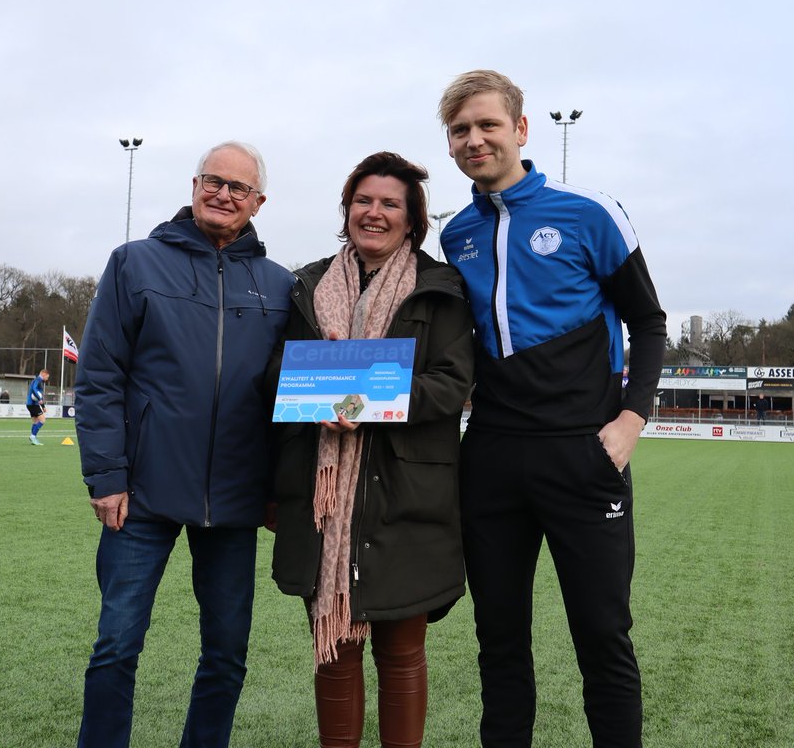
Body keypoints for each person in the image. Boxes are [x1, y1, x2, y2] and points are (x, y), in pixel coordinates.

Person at [436, 70, 666, 747]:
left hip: (582, 454)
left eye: (487, 125)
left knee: (603, 637)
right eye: (459, 131)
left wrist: (630, 422)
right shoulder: (456, 237)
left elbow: (649, 322)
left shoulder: (590, 211)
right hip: (493, 459)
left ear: (521, 130)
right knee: (499, 640)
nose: (474, 140)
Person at [74, 141, 293, 748]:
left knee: (227, 652)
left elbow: (287, 396)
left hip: (236, 497)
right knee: (116, 646)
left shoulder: (278, 285)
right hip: (141, 491)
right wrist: (107, 475)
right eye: (213, 181)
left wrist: (277, 490)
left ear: (258, 203)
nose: (223, 194)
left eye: (238, 188)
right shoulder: (134, 263)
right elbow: (99, 377)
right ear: (194, 184)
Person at [270, 152, 474, 747]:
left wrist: (360, 396)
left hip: (407, 492)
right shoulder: (307, 286)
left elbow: (451, 383)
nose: (375, 213)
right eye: (363, 201)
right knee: (335, 651)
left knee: (402, 651)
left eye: (391, 204)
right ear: (346, 210)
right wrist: (317, 383)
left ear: (413, 219)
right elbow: (274, 378)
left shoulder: (441, 289)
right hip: (322, 495)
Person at [27, 369, 49, 445]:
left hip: (30, 404)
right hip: (33, 404)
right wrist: (39, 399)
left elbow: (39, 394)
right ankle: (33, 437)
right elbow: (34, 390)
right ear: (43, 374)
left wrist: (43, 406)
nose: (47, 378)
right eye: (47, 376)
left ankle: (33, 438)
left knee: (36, 422)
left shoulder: (37, 380)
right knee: (42, 420)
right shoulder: (38, 380)